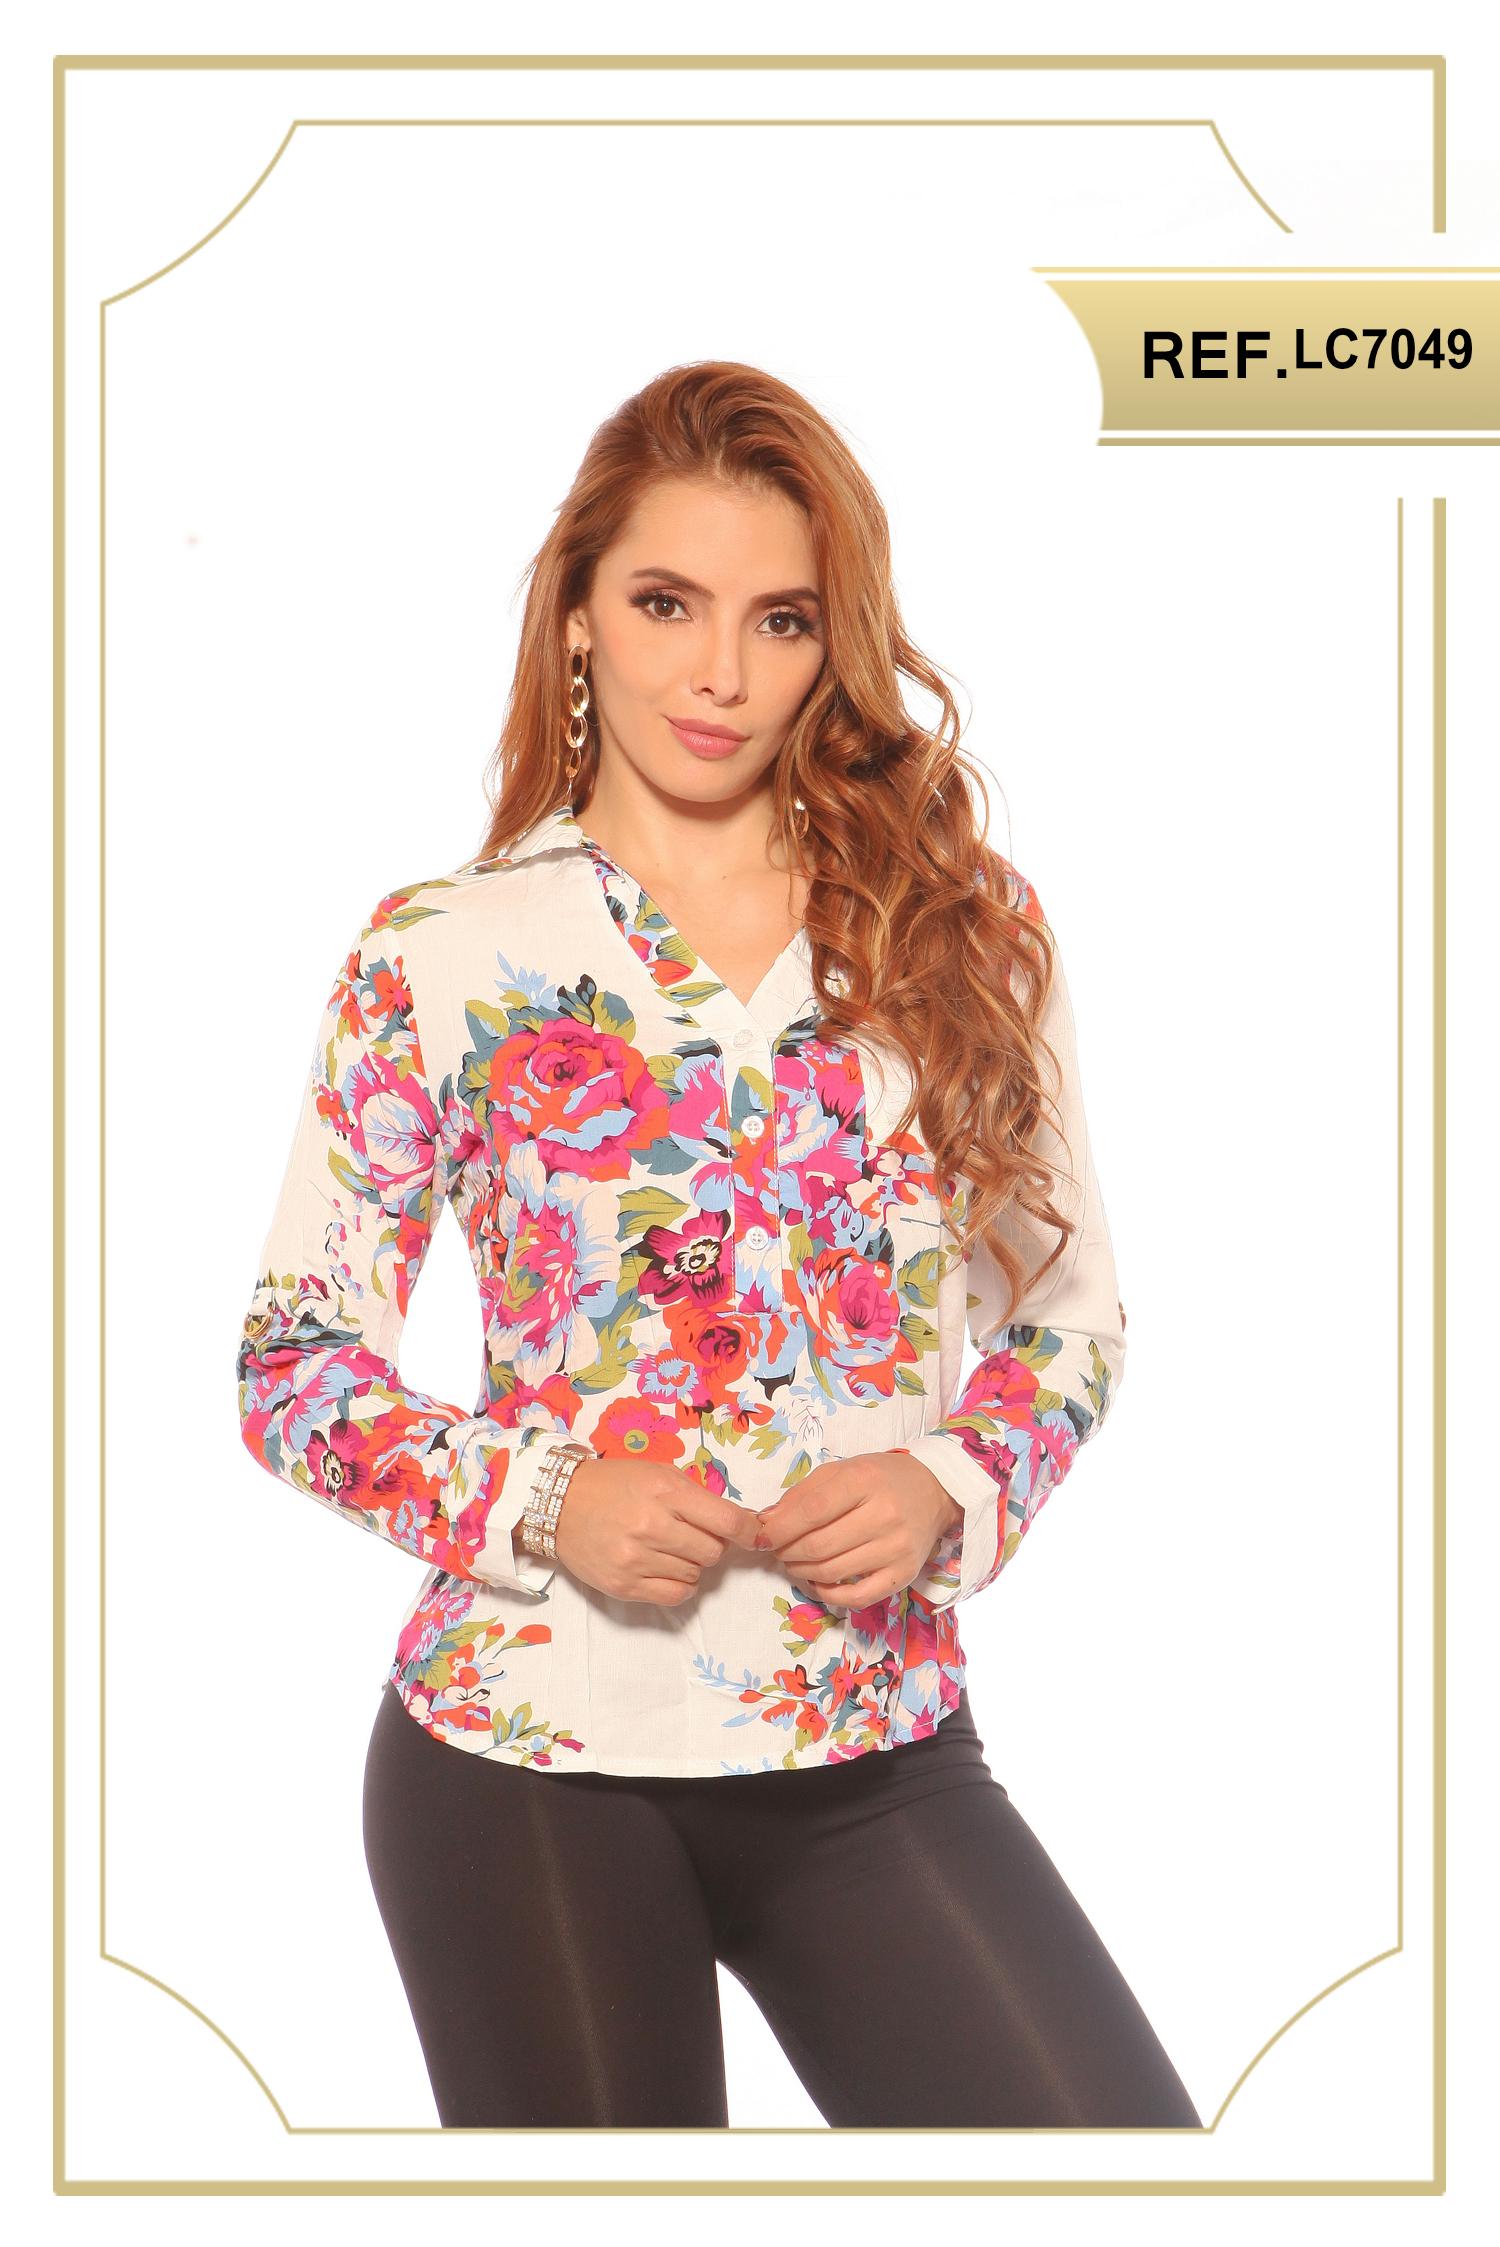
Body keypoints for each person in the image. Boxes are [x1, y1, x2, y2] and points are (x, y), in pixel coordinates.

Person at [236, 360, 1200, 2133]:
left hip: (871, 1746)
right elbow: (293, 1373)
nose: (720, 675)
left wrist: (946, 1482)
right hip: (525, 1760)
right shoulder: (439, 953)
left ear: (836, 646)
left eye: (782, 621)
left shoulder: (957, 932)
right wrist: (547, 1498)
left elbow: (1069, 1320)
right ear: (580, 616)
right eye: (666, 603)